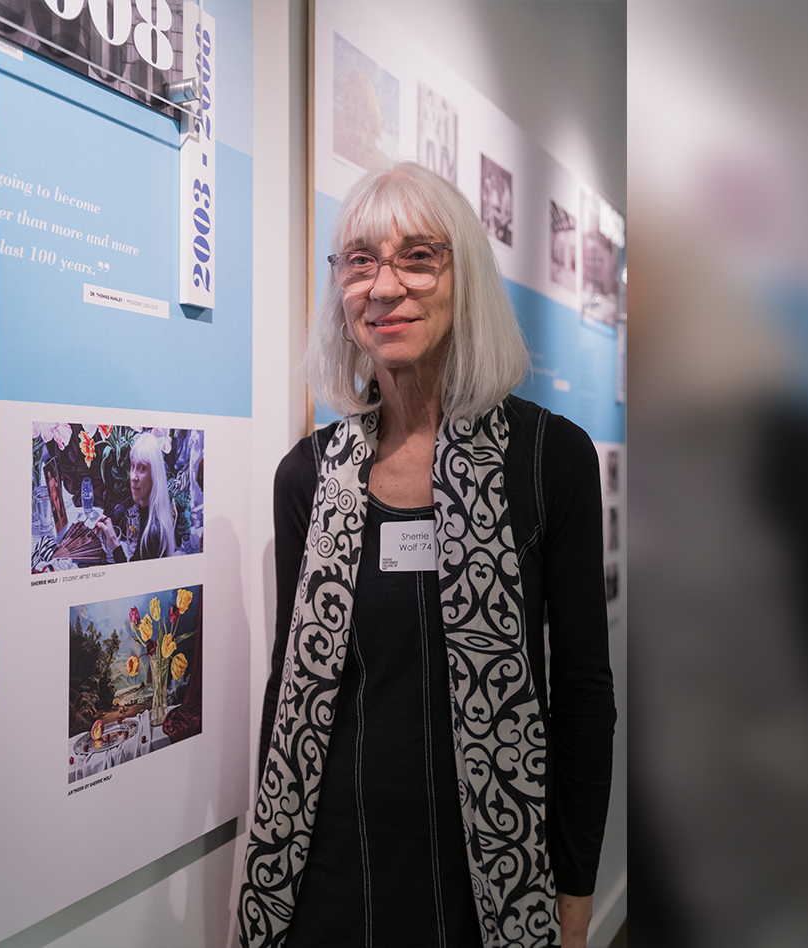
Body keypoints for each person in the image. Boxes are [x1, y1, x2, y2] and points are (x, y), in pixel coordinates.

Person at [237, 161, 616, 948]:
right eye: (360, 261)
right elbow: (292, 691)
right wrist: (265, 885)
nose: (384, 286)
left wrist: (575, 894)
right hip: (328, 876)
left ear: (464, 278)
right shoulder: (309, 475)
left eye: (417, 257)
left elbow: (582, 693)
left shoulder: (549, 461)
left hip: (490, 887)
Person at [92, 431, 176, 562]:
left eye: (142, 468)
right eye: (132, 466)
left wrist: (114, 543)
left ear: (155, 476)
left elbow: (130, 578)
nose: (133, 477)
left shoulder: (152, 534)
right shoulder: (150, 508)